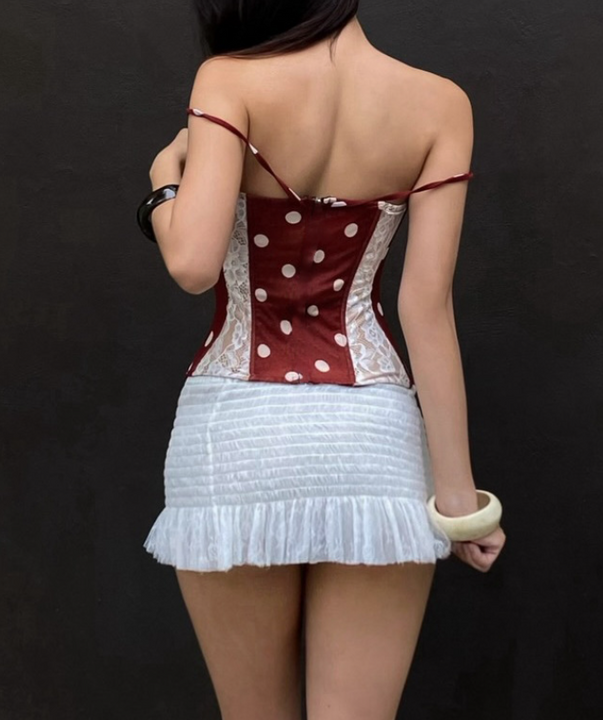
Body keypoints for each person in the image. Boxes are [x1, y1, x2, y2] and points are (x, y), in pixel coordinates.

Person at [137, 3, 506, 718]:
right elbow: (426, 309)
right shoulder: (440, 103)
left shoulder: (228, 79)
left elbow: (192, 262)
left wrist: (161, 184)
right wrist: (461, 504)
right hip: (372, 445)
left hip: (235, 443)